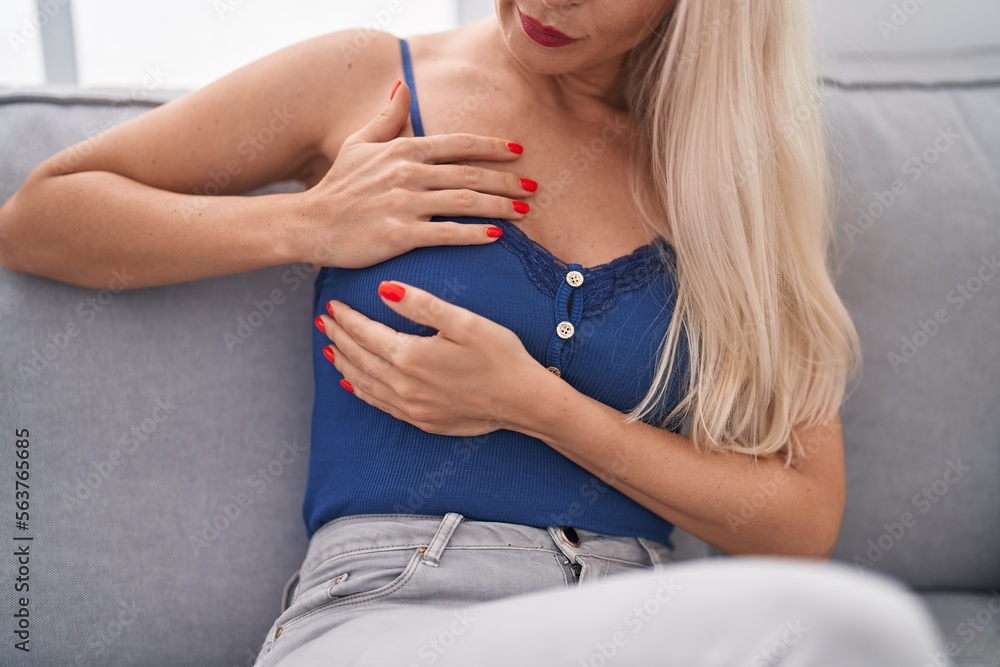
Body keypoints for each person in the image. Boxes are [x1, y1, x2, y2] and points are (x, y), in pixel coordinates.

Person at [0, 1, 945, 665]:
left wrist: (536, 405)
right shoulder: (369, 76)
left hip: (640, 614)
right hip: (393, 612)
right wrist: (309, 225)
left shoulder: (737, 182)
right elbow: (41, 215)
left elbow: (798, 522)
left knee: (852, 632)